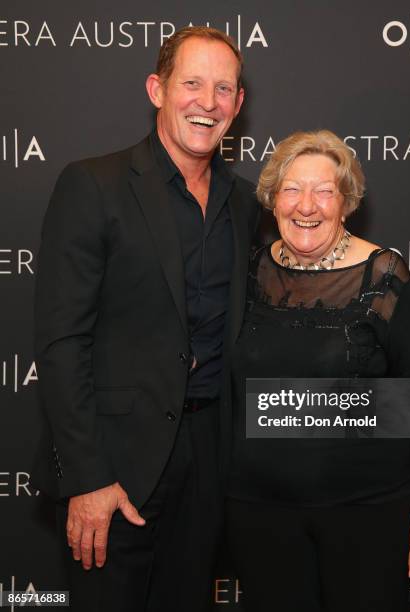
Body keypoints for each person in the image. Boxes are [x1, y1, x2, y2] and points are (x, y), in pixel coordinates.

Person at [32, 26, 259, 612]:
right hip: (115, 465)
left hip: (210, 460)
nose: (207, 102)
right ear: (157, 89)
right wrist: (87, 476)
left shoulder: (246, 203)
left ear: (238, 105)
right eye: (192, 83)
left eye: (223, 89)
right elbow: (62, 343)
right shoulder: (95, 185)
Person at [225, 130, 410, 612]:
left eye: (324, 191)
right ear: (272, 200)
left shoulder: (384, 275)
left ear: (345, 203)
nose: (307, 205)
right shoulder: (249, 273)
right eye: (291, 189)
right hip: (260, 513)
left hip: (365, 513)